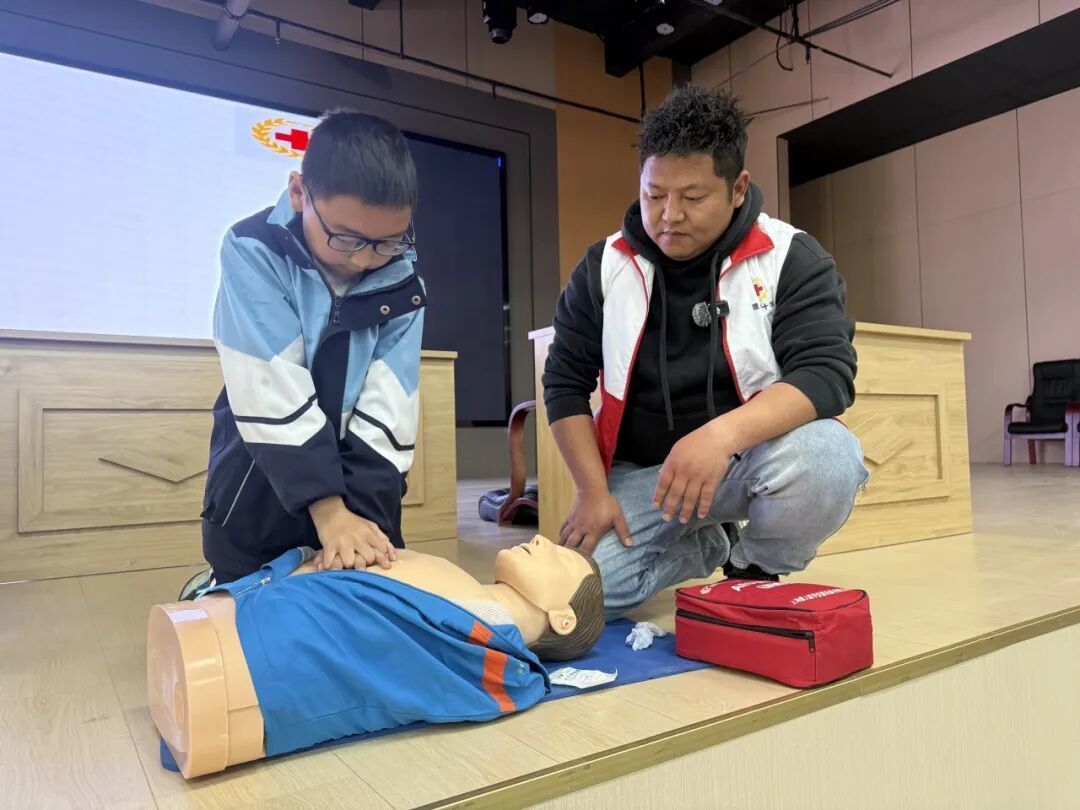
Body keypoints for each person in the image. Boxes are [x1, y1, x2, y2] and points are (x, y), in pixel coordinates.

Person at [542, 86, 870, 620]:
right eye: (653, 195)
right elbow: (563, 384)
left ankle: (752, 564)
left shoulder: (790, 255)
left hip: (743, 462)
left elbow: (826, 374)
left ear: (738, 188)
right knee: (581, 596)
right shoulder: (603, 267)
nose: (669, 215)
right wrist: (592, 493)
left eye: (693, 198)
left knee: (829, 459)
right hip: (645, 477)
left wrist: (719, 437)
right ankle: (709, 543)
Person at [188, 108, 426, 595]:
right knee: (248, 611)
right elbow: (271, 386)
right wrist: (329, 512)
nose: (364, 259)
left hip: (359, 495)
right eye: (346, 238)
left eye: (386, 242)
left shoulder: (403, 281)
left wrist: (360, 524)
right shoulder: (253, 248)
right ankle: (208, 586)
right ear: (299, 192)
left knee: (362, 608)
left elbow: (391, 404)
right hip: (256, 488)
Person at [148, 535, 605, 778]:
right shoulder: (477, 600)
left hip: (233, 668)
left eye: (561, 558)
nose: (542, 539)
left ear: (562, 619)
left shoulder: (493, 636)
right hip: (235, 621)